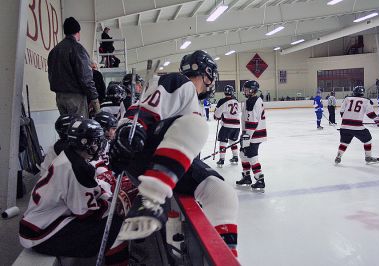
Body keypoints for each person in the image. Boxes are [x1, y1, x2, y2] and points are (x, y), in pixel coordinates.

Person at [109, 50, 239, 256]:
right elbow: (143, 109)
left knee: (207, 197)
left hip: (152, 163)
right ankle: (150, 201)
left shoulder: (189, 96)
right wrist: (129, 131)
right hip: (149, 158)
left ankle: (175, 250)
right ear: (206, 72)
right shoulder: (182, 83)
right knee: (197, 128)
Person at [19, 119, 128, 265]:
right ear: (85, 143)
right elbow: (86, 212)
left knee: (110, 217)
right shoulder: (78, 167)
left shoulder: (69, 156)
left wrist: (105, 199)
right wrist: (112, 205)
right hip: (42, 234)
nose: (100, 145)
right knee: (115, 224)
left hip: (39, 223)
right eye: (97, 141)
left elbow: (86, 194)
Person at [48, 17, 100, 118]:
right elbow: (86, 77)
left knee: (66, 129)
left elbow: (51, 75)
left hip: (59, 97)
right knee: (79, 129)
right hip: (75, 98)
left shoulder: (54, 51)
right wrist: (94, 98)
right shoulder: (77, 49)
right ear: (78, 31)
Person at [334, 86, 379, 165]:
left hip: (344, 126)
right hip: (357, 126)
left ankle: (338, 156)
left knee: (344, 143)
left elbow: (342, 113)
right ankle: (368, 157)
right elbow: (371, 114)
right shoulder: (366, 101)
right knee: (368, 140)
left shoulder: (347, 99)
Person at [235, 80, 267, 191]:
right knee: (243, 154)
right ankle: (246, 176)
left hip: (253, 135)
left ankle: (260, 179)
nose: (244, 91)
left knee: (252, 156)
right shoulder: (251, 100)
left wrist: (246, 137)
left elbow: (253, 121)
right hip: (250, 134)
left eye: (247, 89)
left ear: (253, 90)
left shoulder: (252, 101)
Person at [214, 85, 241, 168]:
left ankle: (221, 159)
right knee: (233, 141)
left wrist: (217, 117)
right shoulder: (236, 100)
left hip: (227, 126)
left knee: (223, 142)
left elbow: (217, 114)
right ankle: (235, 157)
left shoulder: (222, 101)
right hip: (237, 126)